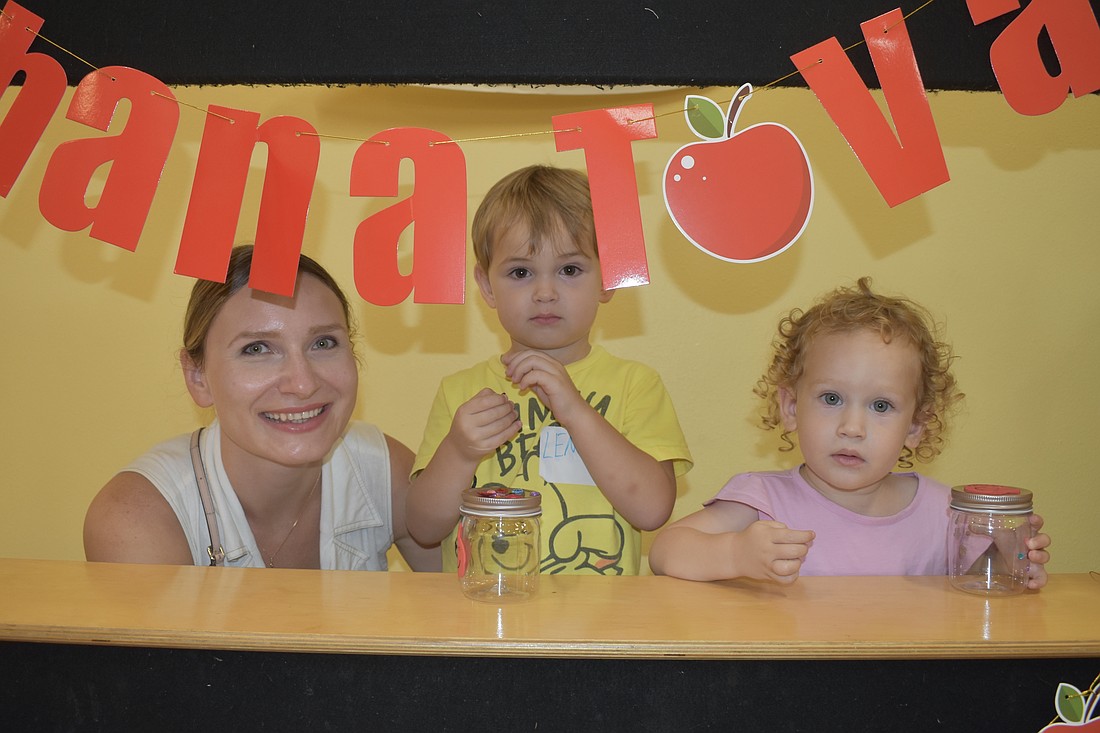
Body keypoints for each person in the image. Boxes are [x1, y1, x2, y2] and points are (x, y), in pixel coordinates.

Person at [649, 277, 1051, 587]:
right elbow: (666, 551)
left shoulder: (948, 514)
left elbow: (986, 592)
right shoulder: (762, 502)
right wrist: (735, 554)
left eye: (881, 406)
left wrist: (1014, 562)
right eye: (831, 399)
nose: (852, 428)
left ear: (915, 426)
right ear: (791, 407)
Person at [407, 165, 693, 575]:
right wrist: (458, 451)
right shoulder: (461, 391)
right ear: (487, 286)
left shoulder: (635, 385)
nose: (544, 293)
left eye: (569, 270)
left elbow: (651, 510)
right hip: (484, 623)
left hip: (599, 628)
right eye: (520, 272)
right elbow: (422, 528)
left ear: (608, 278)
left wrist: (574, 409)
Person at [84, 245, 440, 571]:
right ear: (198, 377)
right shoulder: (135, 520)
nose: (303, 383)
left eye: (323, 342)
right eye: (257, 349)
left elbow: (473, 611)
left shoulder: (384, 471)